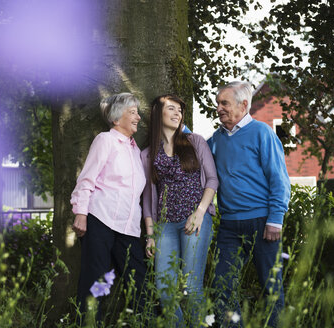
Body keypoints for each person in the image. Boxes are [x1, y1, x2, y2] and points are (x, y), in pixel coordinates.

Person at [207, 81, 291, 328]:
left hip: (263, 222)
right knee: (222, 287)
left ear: (244, 104)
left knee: (271, 287)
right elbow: (196, 151)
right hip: (230, 226)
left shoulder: (262, 133)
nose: (219, 108)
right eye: (218, 103)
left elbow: (279, 179)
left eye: (224, 103)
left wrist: (276, 219)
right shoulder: (216, 139)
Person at [141, 94, 218, 326]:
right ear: (157, 113)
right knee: (165, 290)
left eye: (180, 111)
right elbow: (146, 199)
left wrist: (200, 212)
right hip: (164, 226)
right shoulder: (148, 154)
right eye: (171, 109)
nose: (177, 114)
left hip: (194, 221)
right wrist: (150, 235)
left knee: (191, 286)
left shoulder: (195, 142)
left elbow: (212, 180)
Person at [71, 93, 148, 320]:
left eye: (137, 112)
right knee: (95, 279)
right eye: (132, 112)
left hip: (129, 226)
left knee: (138, 279)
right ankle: (88, 323)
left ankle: (144, 322)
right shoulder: (105, 140)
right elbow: (87, 178)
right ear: (116, 118)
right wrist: (81, 213)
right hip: (100, 219)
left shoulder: (135, 150)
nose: (139, 117)